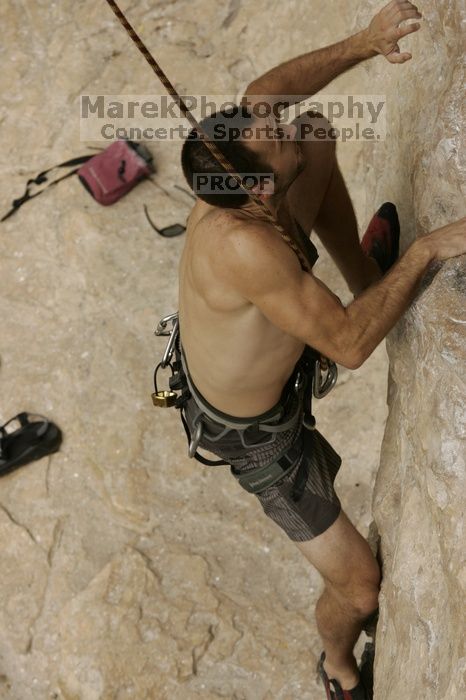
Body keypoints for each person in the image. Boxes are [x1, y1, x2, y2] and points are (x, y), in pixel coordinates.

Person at [171, 1, 466, 697]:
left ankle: (366, 276)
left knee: (315, 135)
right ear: (250, 187)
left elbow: (268, 94)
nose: (269, 118)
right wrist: (426, 250)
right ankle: (335, 667)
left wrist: (367, 41)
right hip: (258, 435)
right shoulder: (243, 244)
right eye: (261, 133)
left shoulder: (247, 184)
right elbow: (351, 344)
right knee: (361, 589)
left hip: (274, 333)